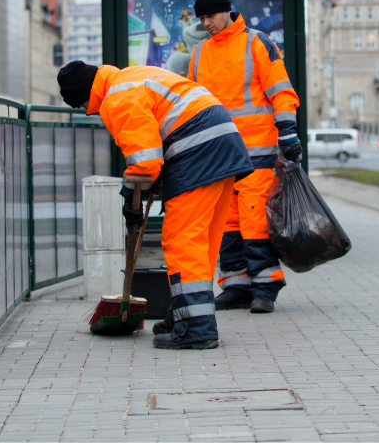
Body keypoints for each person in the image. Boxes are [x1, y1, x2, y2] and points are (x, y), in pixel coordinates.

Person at [57, 60, 253, 350]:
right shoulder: (132, 77)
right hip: (222, 144)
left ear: (86, 95)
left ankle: (197, 329)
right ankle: (183, 312)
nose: (91, 111)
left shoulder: (117, 98)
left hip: (197, 151)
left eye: (84, 105)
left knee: (182, 240)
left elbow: (145, 161)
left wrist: (132, 189)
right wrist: (150, 180)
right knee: (203, 241)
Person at [186, 0, 301, 315]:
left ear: (227, 10)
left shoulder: (256, 43)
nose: (206, 22)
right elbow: (194, 105)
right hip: (219, 155)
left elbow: (281, 90)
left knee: (254, 219)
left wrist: (288, 132)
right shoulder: (199, 54)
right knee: (226, 221)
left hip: (257, 150)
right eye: (201, 17)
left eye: (210, 15)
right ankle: (235, 285)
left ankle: (265, 287)